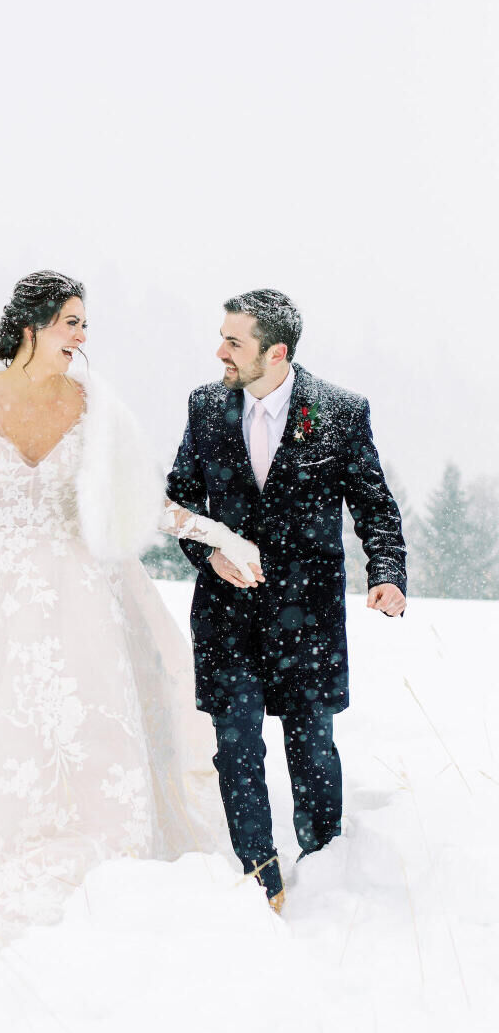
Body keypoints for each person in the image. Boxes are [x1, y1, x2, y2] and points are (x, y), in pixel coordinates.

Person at [0, 270, 262, 942]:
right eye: (72, 321)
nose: (82, 336)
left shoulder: (96, 405)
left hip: (82, 592)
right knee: (3, 721)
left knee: (87, 720)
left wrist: (215, 533)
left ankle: (104, 846)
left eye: (85, 324)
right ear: (31, 325)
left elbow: (138, 500)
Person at [166, 289, 407, 912]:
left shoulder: (340, 412)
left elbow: (375, 506)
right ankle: (259, 875)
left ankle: (324, 869)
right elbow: (179, 502)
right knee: (237, 742)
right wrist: (211, 554)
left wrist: (388, 573)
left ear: (275, 353)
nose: (219, 350)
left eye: (233, 341)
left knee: (311, 745)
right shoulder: (204, 406)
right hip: (224, 614)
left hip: (309, 616)